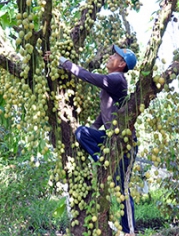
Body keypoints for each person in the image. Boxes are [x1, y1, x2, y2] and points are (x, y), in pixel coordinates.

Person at [46, 44, 138, 235]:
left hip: (124, 144)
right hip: (111, 139)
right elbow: (106, 112)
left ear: (121, 64)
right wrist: (93, 128)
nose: (109, 57)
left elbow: (88, 76)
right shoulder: (112, 82)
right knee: (81, 133)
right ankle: (103, 161)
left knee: (123, 188)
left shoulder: (117, 79)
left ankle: (129, 231)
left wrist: (62, 62)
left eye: (114, 56)